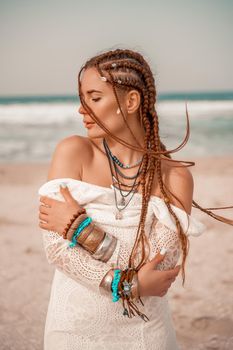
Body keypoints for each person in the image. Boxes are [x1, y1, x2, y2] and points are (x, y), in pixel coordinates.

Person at [38, 48, 232, 350]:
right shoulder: (73, 152)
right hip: (71, 329)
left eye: (94, 97)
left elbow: (158, 266)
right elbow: (57, 251)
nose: (81, 109)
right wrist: (132, 283)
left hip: (146, 336)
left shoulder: (174, 177)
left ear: (130, 101)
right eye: (81, 97)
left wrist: (82, 230)